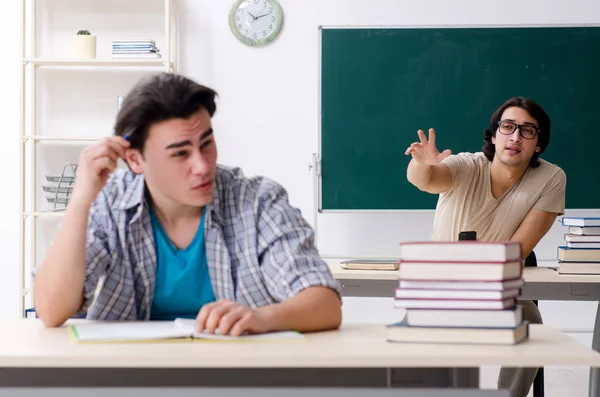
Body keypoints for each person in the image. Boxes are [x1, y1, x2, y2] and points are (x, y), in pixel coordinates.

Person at [33, 72, 342, 337]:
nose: (202, 166)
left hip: (240, 376)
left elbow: (324, 304)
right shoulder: (109, 202)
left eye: (206, 144)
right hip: (132, 378)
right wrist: (80, 202)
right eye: (180, 153)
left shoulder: (258, 200)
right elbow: (51, 311)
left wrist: (263, 318)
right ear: (135, 160)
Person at [405, 97, 566, 397]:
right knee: (403, 346)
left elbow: (516, 252)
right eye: (507, 127)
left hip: (495, 291)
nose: (515, 136)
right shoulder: (467, 165)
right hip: (438, 290)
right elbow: (427, 179)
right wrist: (421, 163)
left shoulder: (550, 178)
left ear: (539, 144)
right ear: (494, 136)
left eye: (528, 130)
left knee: (531, 323)